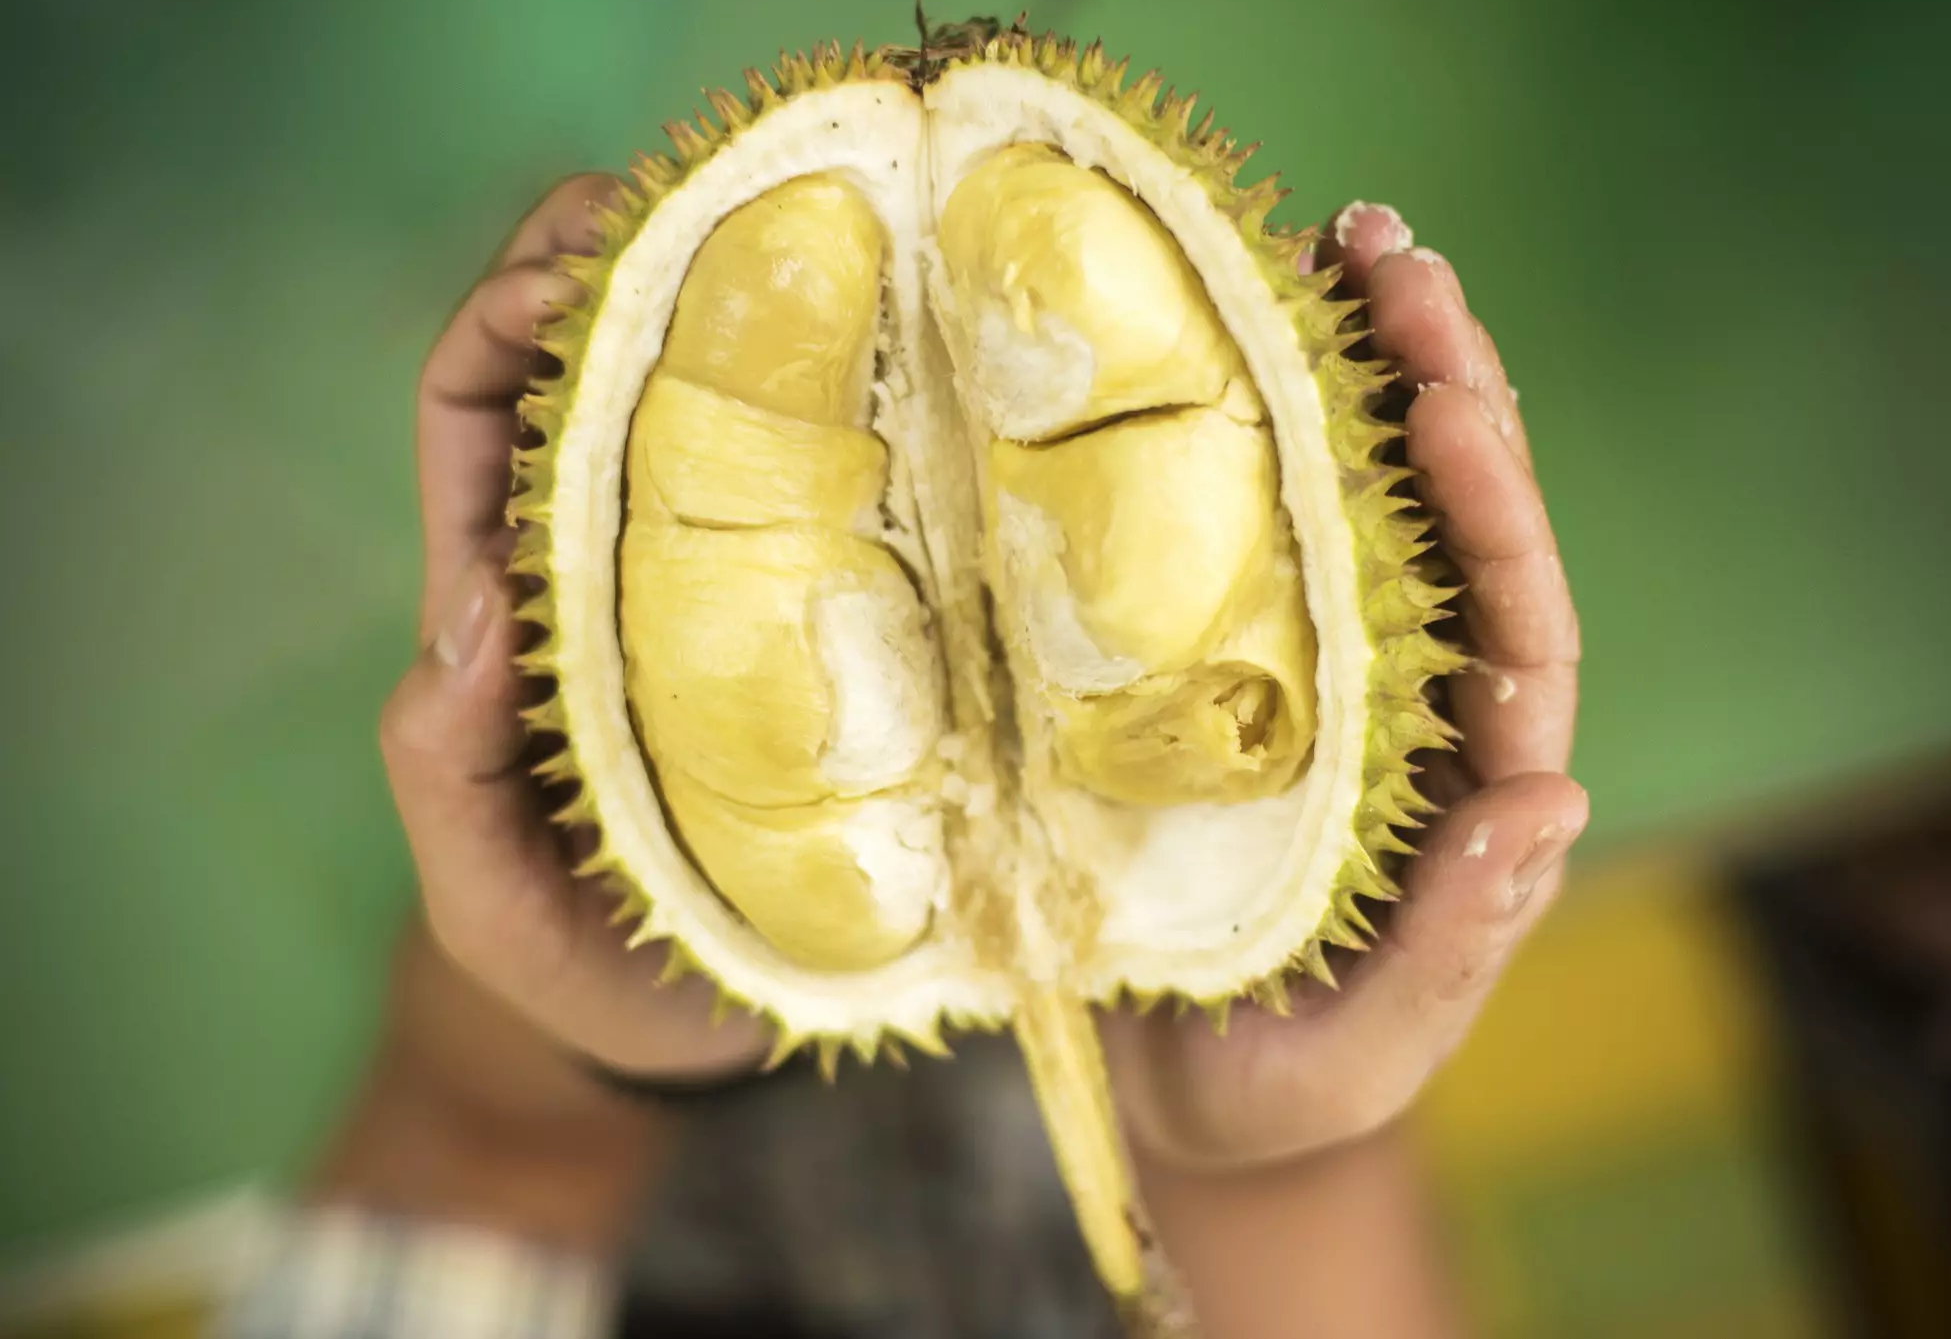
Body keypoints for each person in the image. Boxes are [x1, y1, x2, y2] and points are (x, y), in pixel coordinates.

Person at [216, 176, 1587, 1338]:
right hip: (1162, 1019)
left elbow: (480, 1157)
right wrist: (1255, 1105)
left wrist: (599, 985)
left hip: (617, 1053)